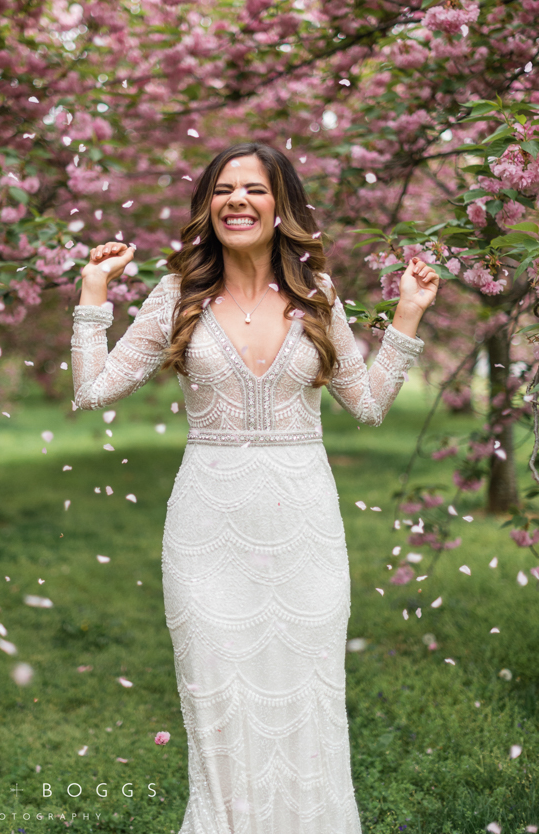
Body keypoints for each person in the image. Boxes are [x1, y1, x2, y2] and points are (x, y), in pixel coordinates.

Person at [70, 142, 439, 834]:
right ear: (207, 209)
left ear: (281, 209)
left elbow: (365, 404)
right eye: (222, 189)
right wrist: (94, 298)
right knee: (218, 701)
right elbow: (93, 391)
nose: (236, 199)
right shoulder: (177, 294)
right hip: (206, 530)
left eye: (255, 189)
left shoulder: (315, 295)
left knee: (307, 703)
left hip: (303, 528)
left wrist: (408, 315)